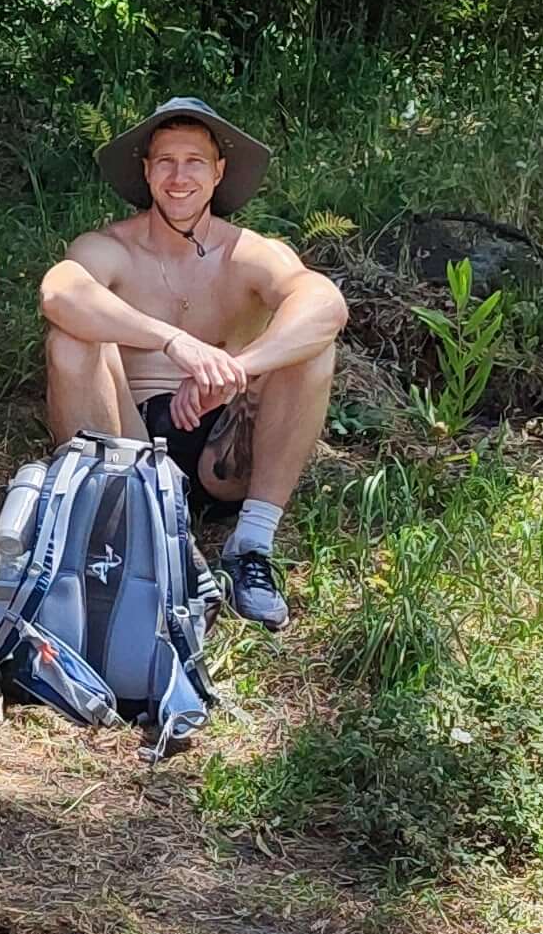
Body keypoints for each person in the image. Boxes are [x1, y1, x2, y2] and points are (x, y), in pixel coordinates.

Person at [36, 99, 343, 629]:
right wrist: (175, 342)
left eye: (195, 162)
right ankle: (151, 543)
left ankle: (252, 544)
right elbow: (60, 292)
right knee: (71, 338)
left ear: (218, 172)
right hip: (129, 442)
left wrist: (235, 370)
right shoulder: (109, 247)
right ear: (147, 171)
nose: (180, 177)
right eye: (166, 162)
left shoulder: (248, 251)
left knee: (312, 348)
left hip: (222, 446)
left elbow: (324, 302)